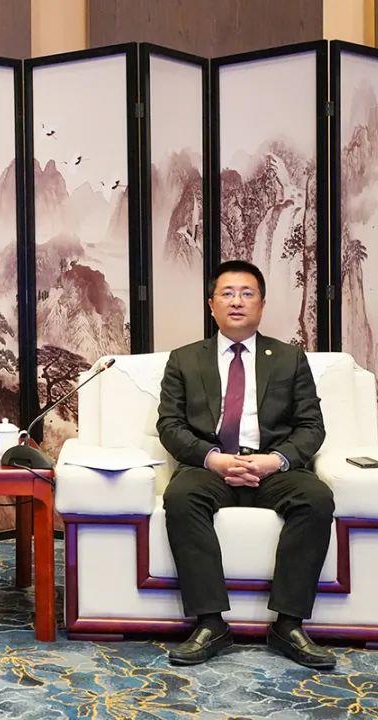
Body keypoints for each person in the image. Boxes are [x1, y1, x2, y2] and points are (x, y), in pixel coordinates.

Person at [156, 259, 335, 669]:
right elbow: (169, 425)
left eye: (247, 293)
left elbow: (312, 427)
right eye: (227, 293)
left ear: (262, 304)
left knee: (316, 498)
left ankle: (288, 624)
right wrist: (213, 459)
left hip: (271, 466)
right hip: (210, 465)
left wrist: (275, 460)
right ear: (211, 305)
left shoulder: (289, 358)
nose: (237, 302)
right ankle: (210, 623)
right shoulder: (184, 359)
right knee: (181, 497)